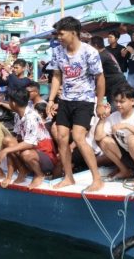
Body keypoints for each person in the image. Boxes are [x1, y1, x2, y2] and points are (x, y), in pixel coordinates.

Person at [46, 16, 105, 192]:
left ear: (73, 33)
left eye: (61, 34)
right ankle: (68, 177)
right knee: (62, 137)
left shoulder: (89, 52)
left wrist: (99, 103)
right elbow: (57, 76)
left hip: (84, 100)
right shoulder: (58, 51)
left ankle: (97, 179)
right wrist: (51, 100)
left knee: (79, 137)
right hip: (65, 99)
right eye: (57, 34)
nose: (58, 37)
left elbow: (100, 79)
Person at [0, 89, 57, 190]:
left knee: (26, 153)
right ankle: (22, 170)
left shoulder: (31, 117)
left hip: (46, 155)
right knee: (8, 141)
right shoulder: (18, 115)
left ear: (13, 103)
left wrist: (6, 150)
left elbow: (30, 144)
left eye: (9, 101)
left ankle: (39, 175)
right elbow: (18, 139)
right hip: (32, 150)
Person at [89, 36, 129, 106]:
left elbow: (92, 71)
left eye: (89, 46)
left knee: (115, 107)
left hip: (116, 85)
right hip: (118, 82)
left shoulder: (101, 56)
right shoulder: (106, 52)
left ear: (95, 45)